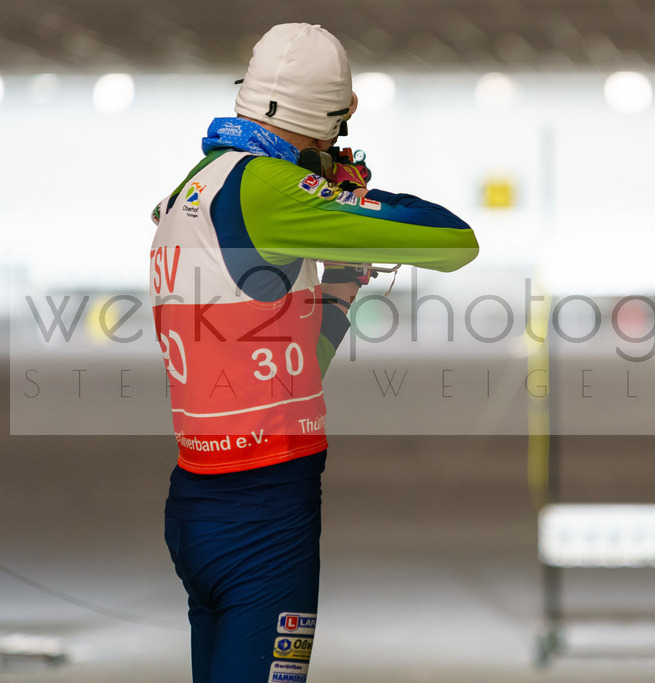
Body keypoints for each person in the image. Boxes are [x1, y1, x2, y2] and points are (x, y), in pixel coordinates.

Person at [148, 23, 478, 683]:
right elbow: (451, 239)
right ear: (338, 114)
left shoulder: (193, 187)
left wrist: (342, 282)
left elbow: (289, 365)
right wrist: (347, 194)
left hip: (198, 502)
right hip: (264, 513)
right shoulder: (266, 192)